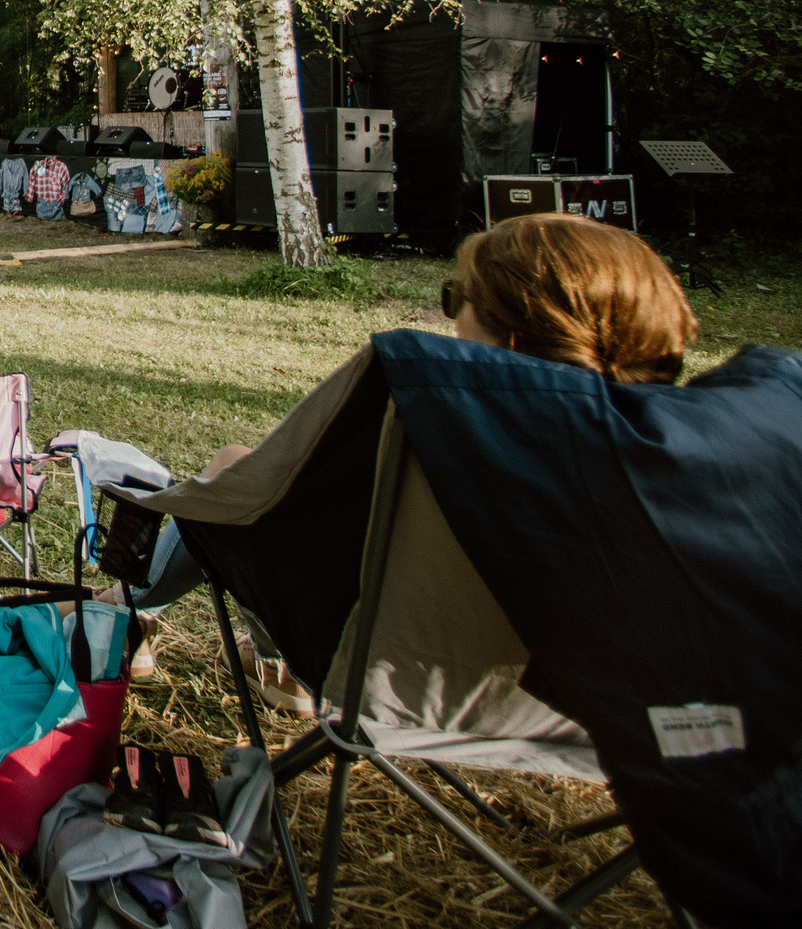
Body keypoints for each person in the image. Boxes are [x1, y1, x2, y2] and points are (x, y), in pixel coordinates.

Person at [116, 211, 701, 708]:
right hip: (569, 706)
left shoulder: (441, 423)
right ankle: (146, 618)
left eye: (455, 298)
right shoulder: (683, 461)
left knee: (232, 471)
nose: (449, 317)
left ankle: (131, 615)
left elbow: (262, 520)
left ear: (510, 334)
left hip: (381, 670)